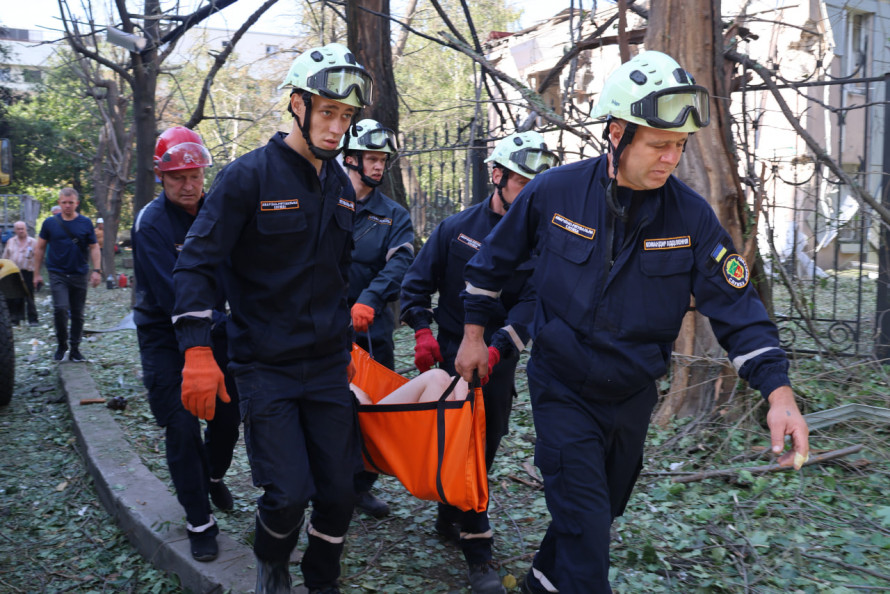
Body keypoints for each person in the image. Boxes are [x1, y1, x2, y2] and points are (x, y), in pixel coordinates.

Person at [454, 51, 810, 594]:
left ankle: (537, 585)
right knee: (588, 534)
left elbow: (737, 310)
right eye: (660, 144)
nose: (672, 158)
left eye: (680, 146)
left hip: (631, 397)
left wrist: (779, 395)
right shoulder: (555, 193)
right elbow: (490, 264)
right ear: (617, 132)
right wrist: (475, 335)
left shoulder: (690, 217)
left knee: (597, 515)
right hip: (562, 387)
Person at [171, 42, 373, 594]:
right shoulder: (247, 178)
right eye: (328, 112)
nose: (337, 129)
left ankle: (322, 579)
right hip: (266, 365)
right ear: (297, 105)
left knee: (336, 493)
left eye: (346, 116)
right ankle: (272, 561)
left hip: (328, 366)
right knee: (287, 495)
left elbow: (338, 272)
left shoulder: (339, 185)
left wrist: (349, 348)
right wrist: (195, 349)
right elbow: (195, 263)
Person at [400, 131, 558, 594]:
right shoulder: (456, 229)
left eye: (538, 187)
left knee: (483, 449)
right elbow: (416, 283)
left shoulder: (542, 244)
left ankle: (449, 515)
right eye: (522, 183)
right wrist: (423, 330)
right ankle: (479, 553)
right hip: (449, 354)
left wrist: (498, 349)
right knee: (459, 448)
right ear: (497, 175)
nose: (530, 196)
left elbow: (532, 306)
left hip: (498, 360)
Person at [132, 127, 241, 562]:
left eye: (195, 175)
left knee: (228, 415)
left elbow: (238, 268)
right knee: (180, 427)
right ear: (161, 176)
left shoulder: (216, 211)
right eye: (178, 177)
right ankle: (200, 521)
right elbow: (170, 294)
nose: (188, 185)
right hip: (165, 334)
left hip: (216, 331)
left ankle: (213, 476)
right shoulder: (151, 223)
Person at [342, 118, 415, 519]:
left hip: (373, 332)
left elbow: (401, 261)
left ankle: (360, 486)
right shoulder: (326, 201)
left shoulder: (392, 214)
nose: (377, 166)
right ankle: (330, 485)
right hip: (327, 329)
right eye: (371, 158)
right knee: (331, 408)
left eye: (382, 159)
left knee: (373, 410)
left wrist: (369, 300)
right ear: (350, 158)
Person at [33, 188, 102, 362]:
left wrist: (96, 271)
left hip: (79, 273)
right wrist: (36, 274)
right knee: (61, 308)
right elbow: (40, 248)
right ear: (59, 203)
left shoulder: (85, 223)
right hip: (58, 273)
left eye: (71, 202)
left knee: (78, 314)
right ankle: (62, 344)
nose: (67, 206)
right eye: (64, 202)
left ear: (76, 203)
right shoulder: (50, 223)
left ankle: (75, 349)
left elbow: (94, 247)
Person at [351, 368, 468, 405]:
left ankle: (453, 457)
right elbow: (364, 403)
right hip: (364, 436)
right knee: (437, 378)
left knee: (460, 382)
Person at [2, 221, 40, 326]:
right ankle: (15, 319)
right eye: (18, 229)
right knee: (14, 296)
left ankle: (33, 319)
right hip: (13, 272)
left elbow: (38, 258)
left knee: (29, 296)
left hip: (28, 272)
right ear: (15, 230)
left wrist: (37, 273)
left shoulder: (33, 242)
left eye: (22, 228)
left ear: (26, 229)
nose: (21, 231)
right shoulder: (10, 241)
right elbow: (5, 257)